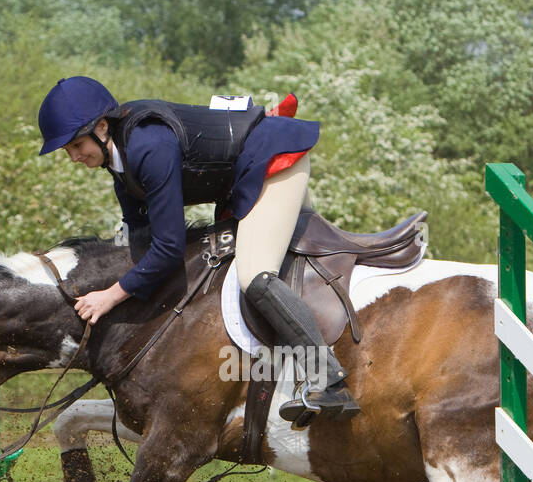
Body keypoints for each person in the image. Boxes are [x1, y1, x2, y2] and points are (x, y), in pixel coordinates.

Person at [37, 76, 360, 424]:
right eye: (67, 150)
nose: (73, 157)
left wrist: (110, 296)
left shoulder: (147, 147)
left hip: (272, 162)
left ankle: (329, 380)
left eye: (76, 145)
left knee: (256, 276)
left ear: (102, 128)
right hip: (244, 177)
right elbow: (139, 243)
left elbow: (169, 248)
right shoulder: (121, 165)